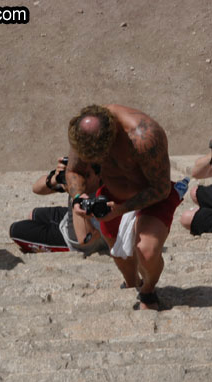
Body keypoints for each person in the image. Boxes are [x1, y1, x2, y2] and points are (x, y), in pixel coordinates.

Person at [66, 104, 183, 310]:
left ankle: (148, 290)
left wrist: (121, 209)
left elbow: (161, 189)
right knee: (119, 254)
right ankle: (131, 283)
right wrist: (77, 198)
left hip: (151, 196)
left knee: (146, 251)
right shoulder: (84, 133)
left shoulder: (144, 136)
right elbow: (74, 170)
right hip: (112, 194)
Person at [9, 157, 107, 255]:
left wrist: (76, 196)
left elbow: (85, 239)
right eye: (77, 173)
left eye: (86, 175)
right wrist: (55, 178)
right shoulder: (82, 182)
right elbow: (36, 189)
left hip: (75, 241)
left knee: (16, 230)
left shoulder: (103, 199)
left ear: (99, 175)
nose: (80, 179)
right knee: (33, 214)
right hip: (68, 220)